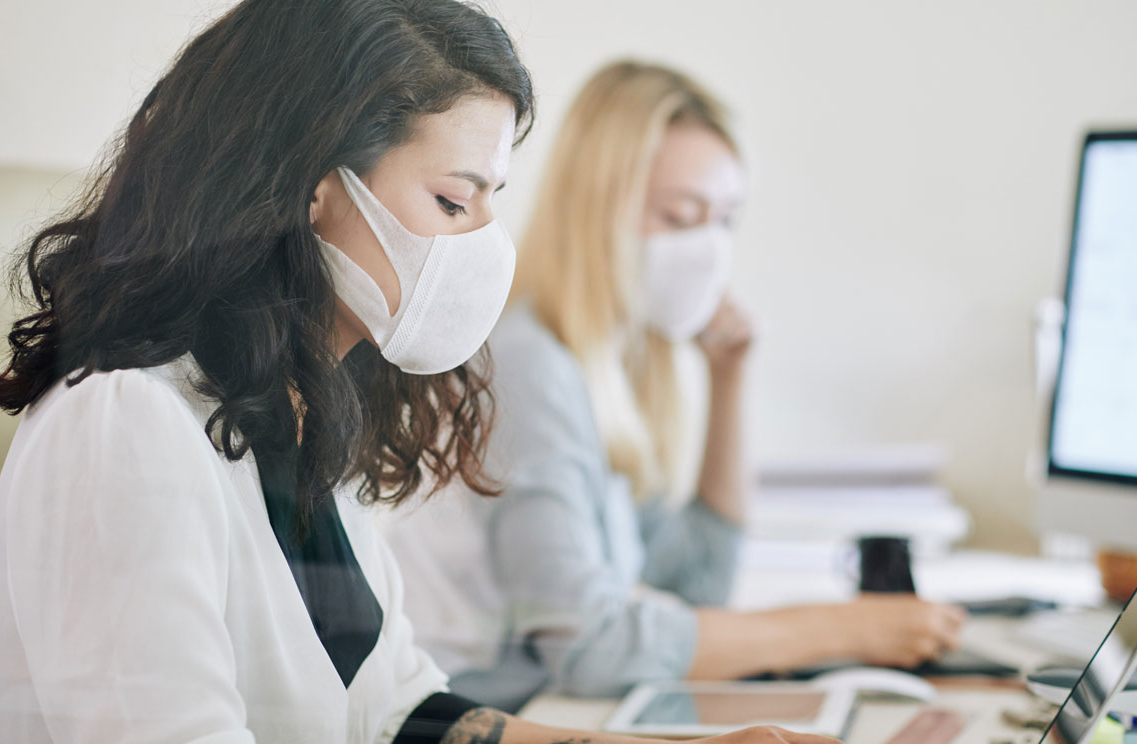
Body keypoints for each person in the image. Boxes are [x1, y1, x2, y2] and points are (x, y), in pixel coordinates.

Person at [0, 4, 836, 743]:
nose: (486, 247)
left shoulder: (304, 413)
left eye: (491, 201)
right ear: (308, 187)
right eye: (454, 202)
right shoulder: (126, 425)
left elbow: (403, 712)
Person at [383, 60, 967, 712]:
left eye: (725, 220)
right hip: (483, 714)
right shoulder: (526, 364)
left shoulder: (606, 363)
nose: (710, 249)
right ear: (599, 212)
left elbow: (693, 586)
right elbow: (586, 647)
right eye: (683, 216)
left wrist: (730, 381)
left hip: (549, 708)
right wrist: (840, 627)